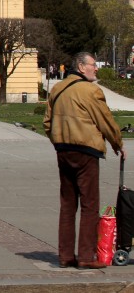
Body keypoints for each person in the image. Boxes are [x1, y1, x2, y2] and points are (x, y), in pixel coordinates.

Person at [44, 52, 125, 269]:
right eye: (92, 65)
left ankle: (65, 256)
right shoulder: (90, 91)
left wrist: (59, 142)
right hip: (86, 152)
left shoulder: (57, 89)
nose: (96, 68)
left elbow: (47, 123)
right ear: (81, 67)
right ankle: (87, 257)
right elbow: (105, 120)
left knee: (68, 204)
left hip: (63, 151)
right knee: (90, 204)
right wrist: (118, 144)